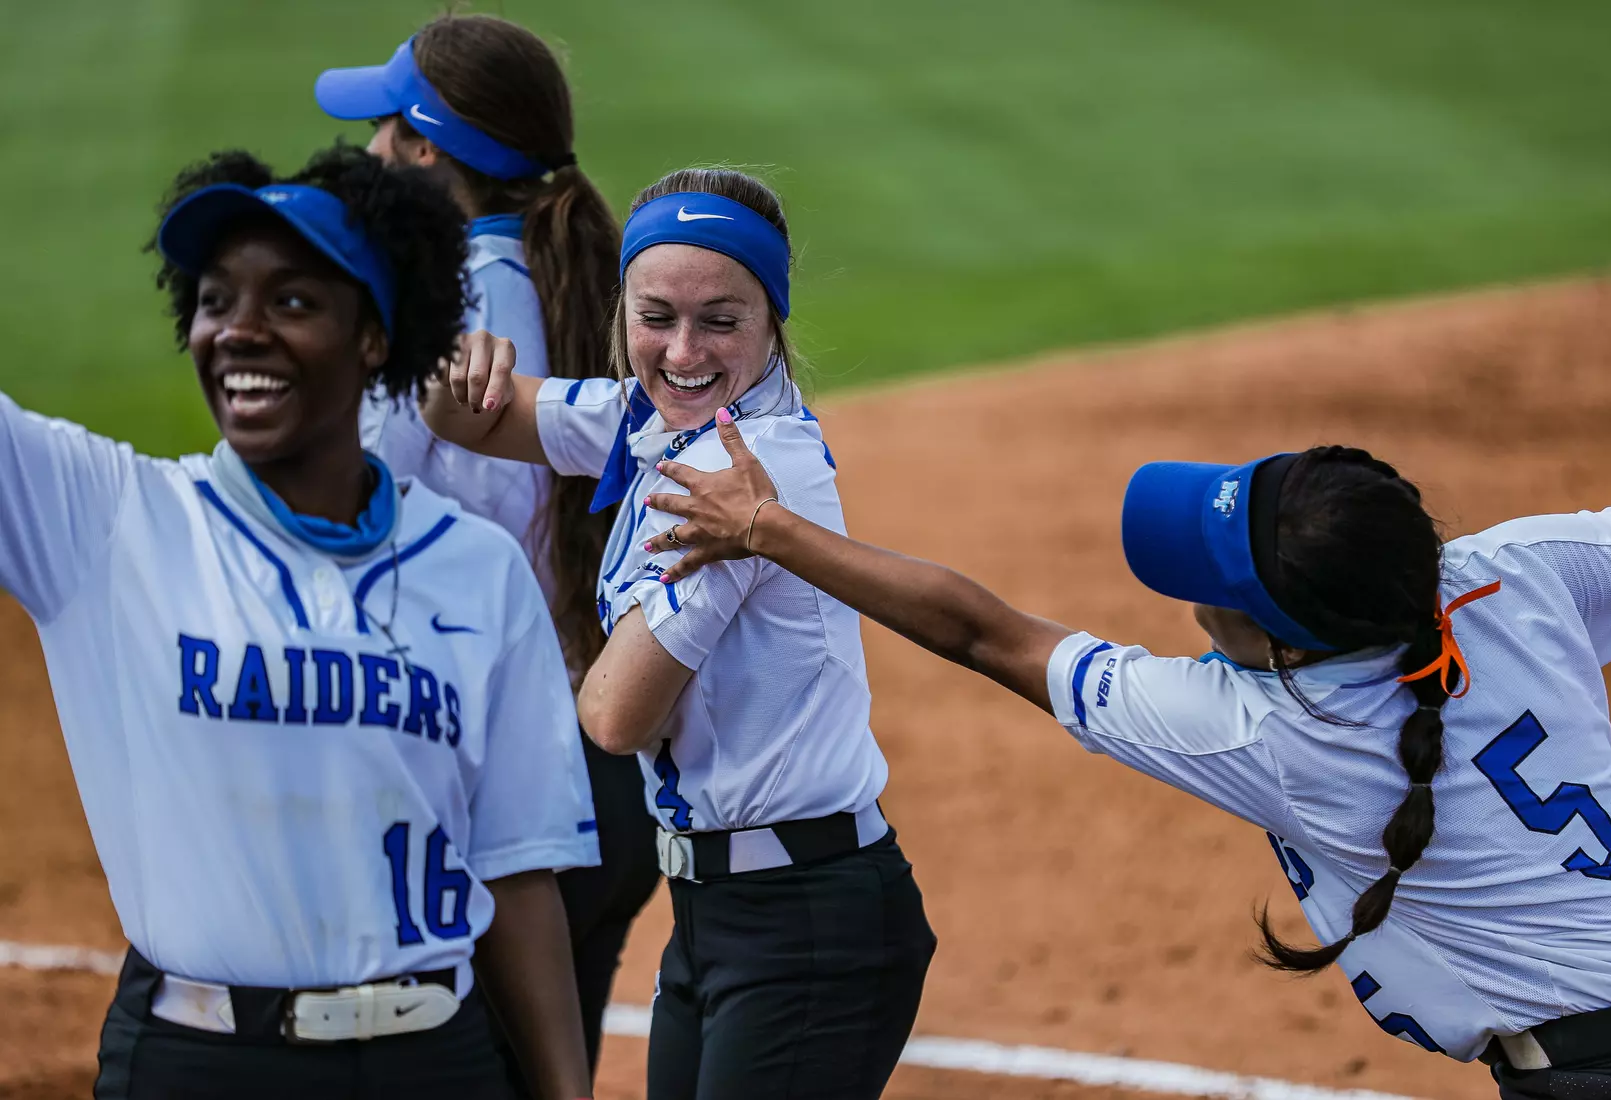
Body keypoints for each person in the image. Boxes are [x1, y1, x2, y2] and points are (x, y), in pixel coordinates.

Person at [644, 424, 1611, 1099]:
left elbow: (985, 634)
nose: (1190, 606)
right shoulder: (1507, 573)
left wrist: (768, 528)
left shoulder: (1271, 731)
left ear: (1285, 645)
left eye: (1209, 591)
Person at [2, 145, 596, 1100]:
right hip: (202, 1066)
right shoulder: (112, 521)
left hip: (431, 1063)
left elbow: (520, 875)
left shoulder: (477, 570)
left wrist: (567, 1093)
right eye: (215, 300)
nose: (238, 331)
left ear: (374, 337)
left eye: (290, 301)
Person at [422, 167, 937, 1099]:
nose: (683, 349)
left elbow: (614, 717)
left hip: (809, 922)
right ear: (622, 313)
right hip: (718, 910)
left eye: (721, 320)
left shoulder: (744, 478)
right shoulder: (648, 420)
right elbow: (461, 416)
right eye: (655, 316)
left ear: (773, 320)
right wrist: (458, 360)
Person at [312, 14, 659, 1071]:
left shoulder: (455, 322)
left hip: (502, 799)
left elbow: (349, 529)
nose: (368, 151)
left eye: (385, 128)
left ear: (424, 150)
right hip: (613, 777)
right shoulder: (590, 281)